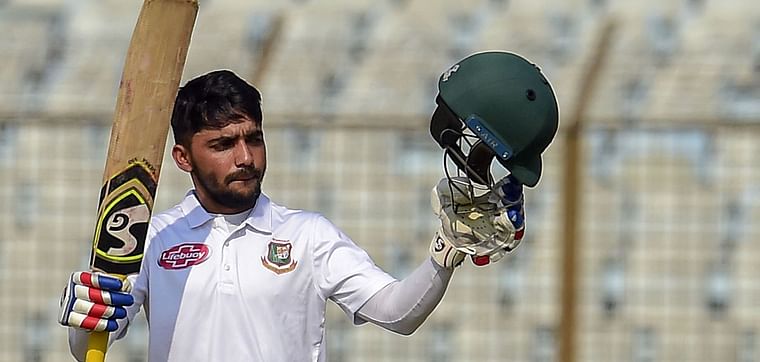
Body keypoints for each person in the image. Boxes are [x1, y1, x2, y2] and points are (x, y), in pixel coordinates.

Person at [59, 51, 558, 362]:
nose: (245, 157)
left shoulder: (307, 235)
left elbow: (396, 314)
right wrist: (85, 320)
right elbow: (93, 349)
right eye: (223, 144)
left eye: (253, 138)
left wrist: (441, 257)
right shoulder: (153, 237)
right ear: (183, 157)